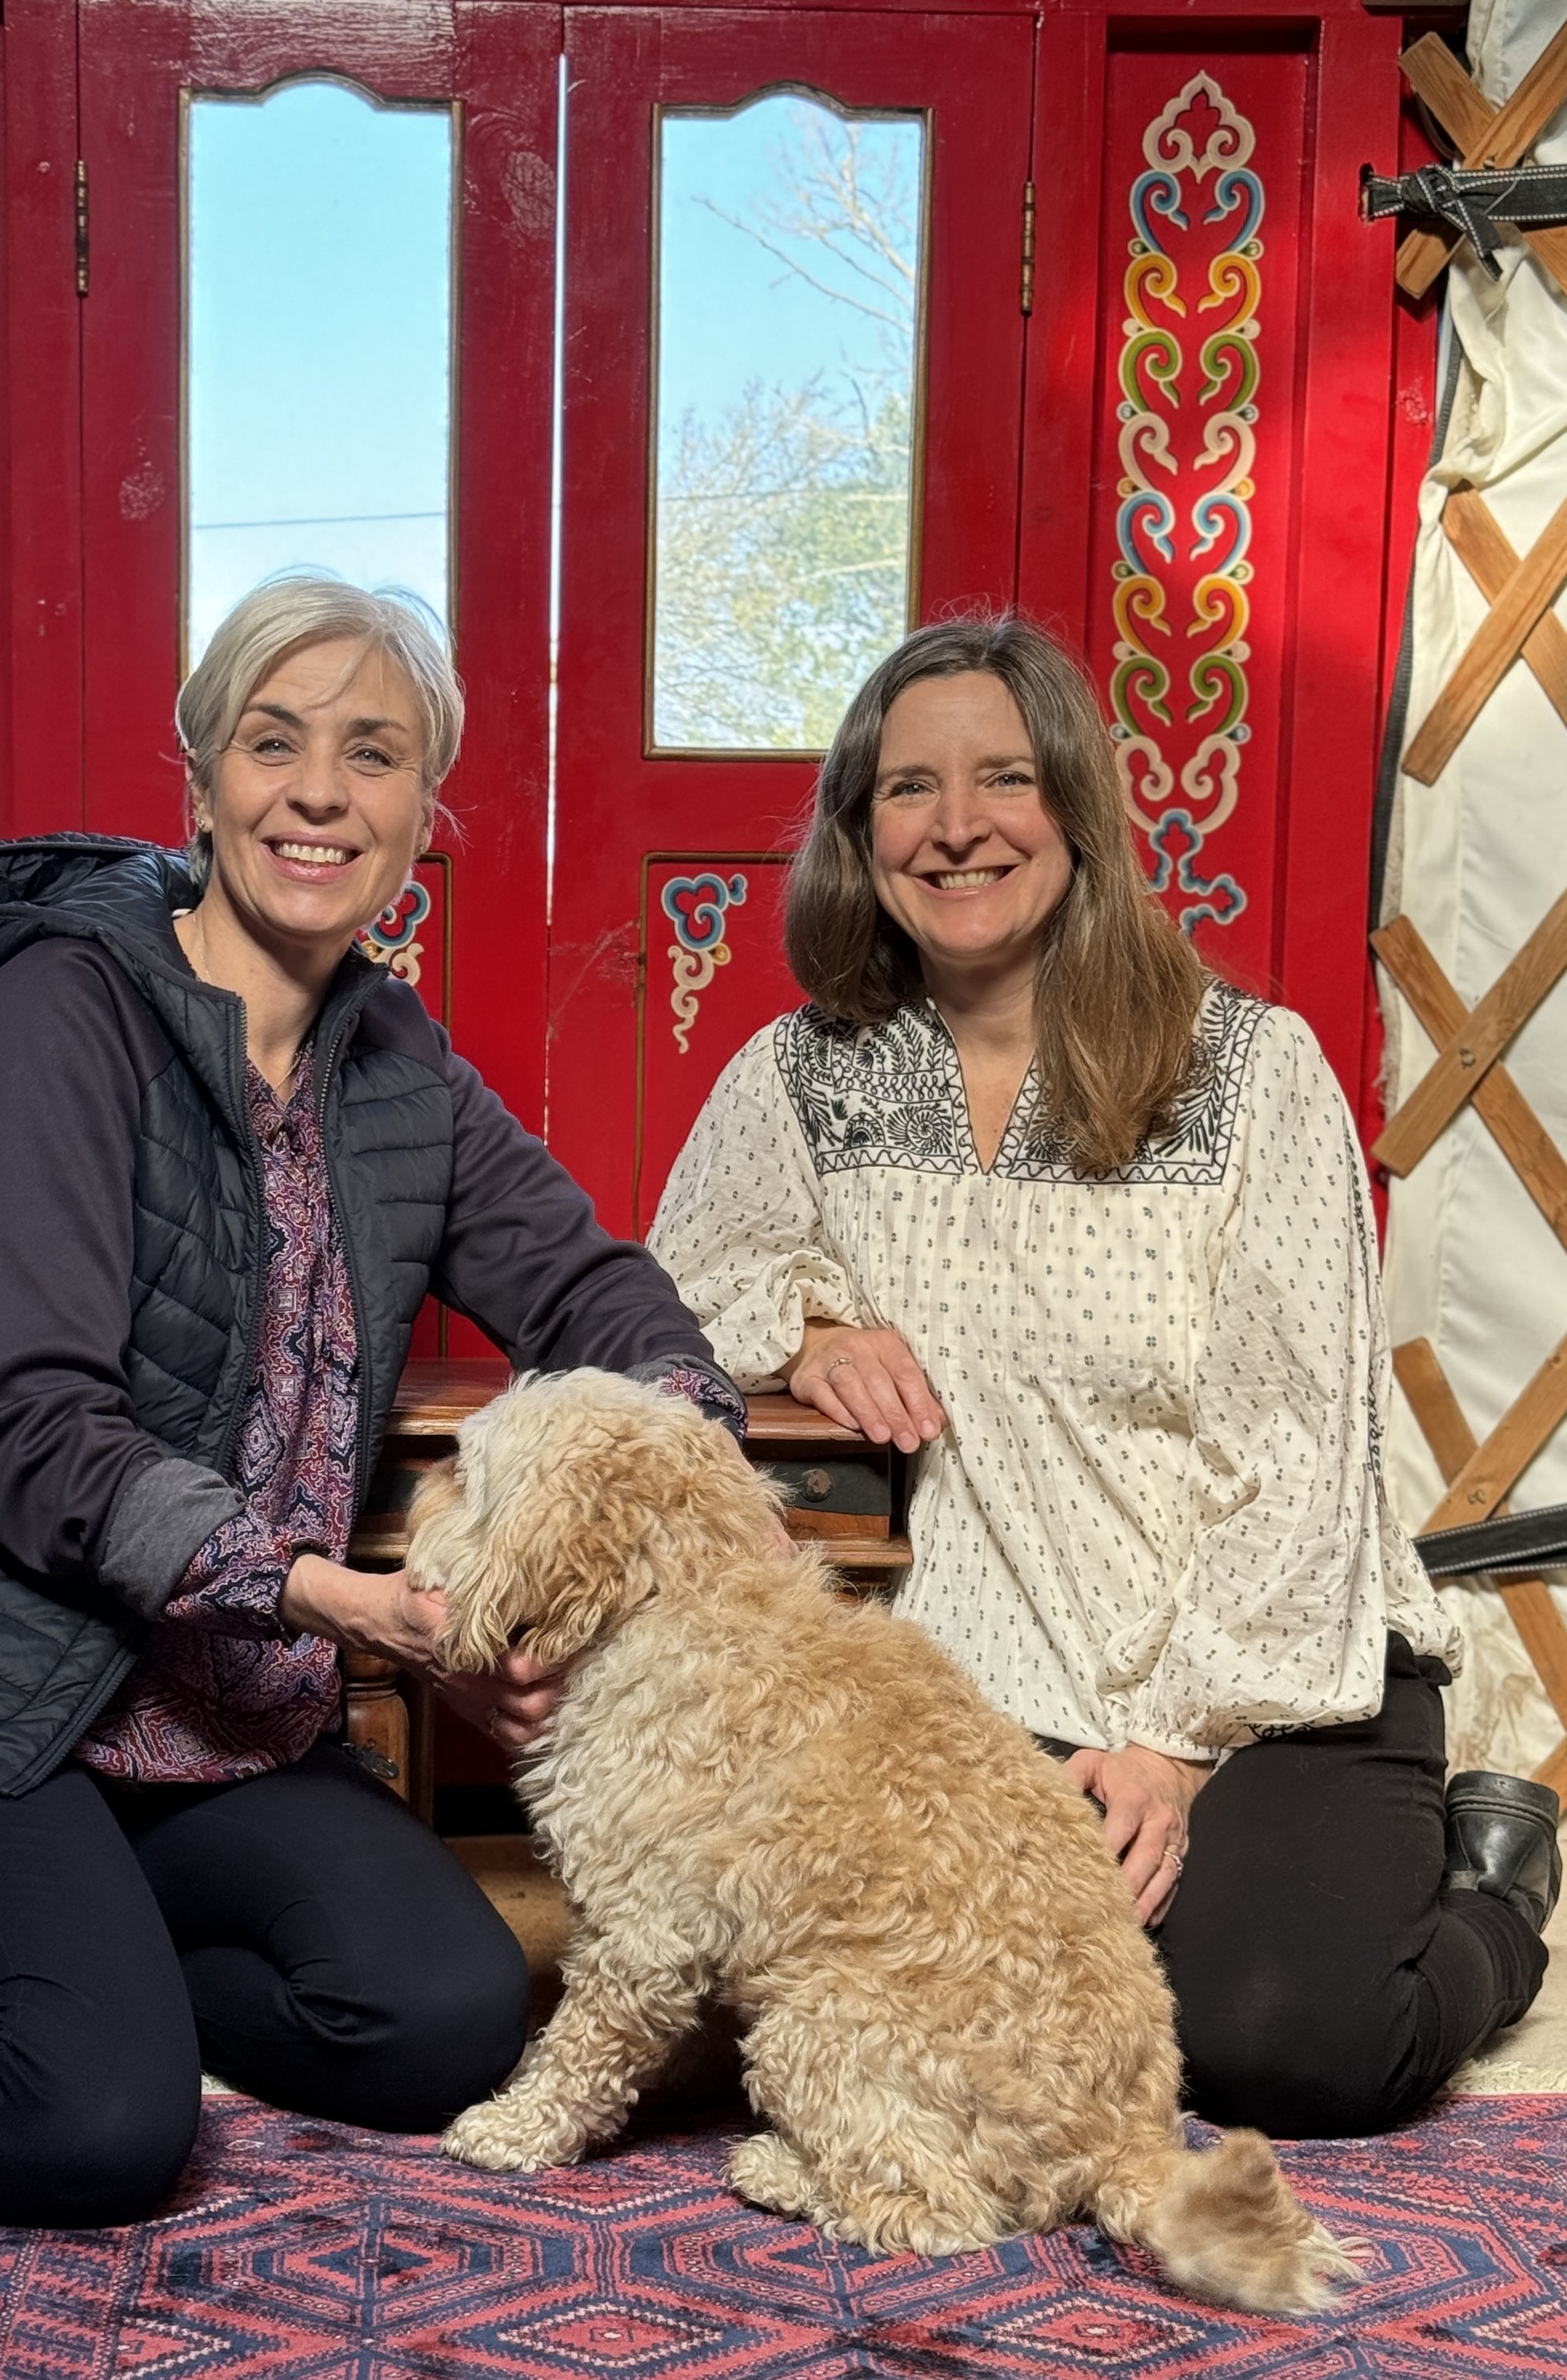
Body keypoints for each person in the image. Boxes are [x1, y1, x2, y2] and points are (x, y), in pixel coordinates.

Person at [0, 574, 741, 2224]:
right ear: (201, 782)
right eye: (275, 741)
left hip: (213, 1733)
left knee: (442, 2017)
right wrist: (337, 1600)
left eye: (374, 753)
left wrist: (685, 1448)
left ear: (418, 812)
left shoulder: (398, 1069)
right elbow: (39, 1429)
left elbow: (595, 1288)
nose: (320, 789)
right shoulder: (54, 1014)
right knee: (96, 2118)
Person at [648, 611, 1558, 2138]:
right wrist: (804, 1324)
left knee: (1290, 2043)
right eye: (906, 790)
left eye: (1001, 779)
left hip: (1271, 1670)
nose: (956, 830)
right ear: (859, 832)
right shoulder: (808, 1074)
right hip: (990, 1666)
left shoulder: (1246, 1072)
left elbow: (1297, 1440)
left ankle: (1498, 1892)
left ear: (1074, 804)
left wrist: (1174, 1750)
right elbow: (673, 1278)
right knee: (952, 2026)